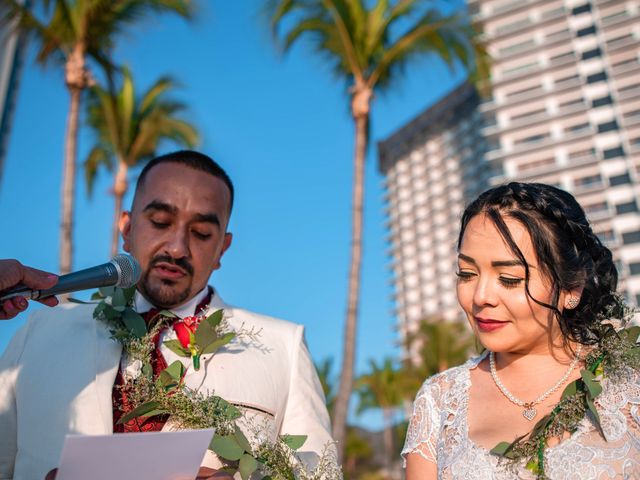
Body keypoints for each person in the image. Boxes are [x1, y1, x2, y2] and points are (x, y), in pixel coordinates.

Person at [0, 151, 335, 480]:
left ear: (222, 248)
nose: (177, 248)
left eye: (202, 233)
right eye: (160, 222)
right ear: (127, 229)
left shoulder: (283, 347)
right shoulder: (40, 332)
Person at [403, 182, 640, 479]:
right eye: (467, 274)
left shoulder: (630, 380)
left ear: (571, 288)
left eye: (509, 278)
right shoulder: (439, 401)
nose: (480, 297)